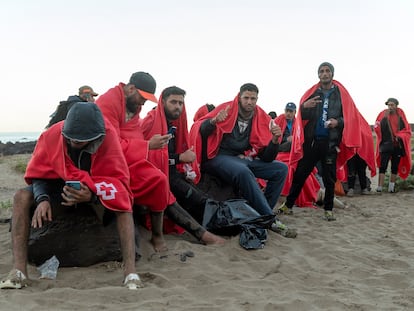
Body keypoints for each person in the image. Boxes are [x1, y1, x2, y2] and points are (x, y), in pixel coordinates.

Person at [0, 102, 141, 290]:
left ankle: (130, 273)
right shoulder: (52, 134)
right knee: (20, 196)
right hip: (60, 187)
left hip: (93, 188)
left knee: (124, 204)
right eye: (70, 138)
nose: (74, 142)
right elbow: (38, 173)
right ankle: (18, 271)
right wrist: (42, 199)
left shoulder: (108, 136)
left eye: (80, 140)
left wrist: (91, 195)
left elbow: (118, 181)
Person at [95, 72, 224, 247]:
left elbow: (133, 138)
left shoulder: (134, 107)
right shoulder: (109, 103)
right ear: (131, 88)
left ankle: (158, 236)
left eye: (180, 103)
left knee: (159, 180)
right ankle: (201, 234)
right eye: (143, 97)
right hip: (108, 162)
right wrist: (152, 148)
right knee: (173, 188)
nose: (143, 103)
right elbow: (111, 144)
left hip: (131, 160)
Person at [190, 83, 296, 238]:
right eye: (246, 97)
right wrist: (213, 122)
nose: (249, 101)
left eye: (253, 98)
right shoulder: (225, 109)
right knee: (243, 171)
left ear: (257, 99)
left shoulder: (262, 118)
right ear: (239, 97)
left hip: (242, 158)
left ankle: (259, 213)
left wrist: (274, 140)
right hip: (217, 157)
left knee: (280, 169)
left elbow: (267, 157)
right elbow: (199, 130)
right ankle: (269, 219)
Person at [278, 62, 364, 221]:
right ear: (318, 75)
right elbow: (302, 117)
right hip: (312, 142)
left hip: (330, 143)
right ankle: (288, 206)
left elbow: (350, 117)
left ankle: (328, 209)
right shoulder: (313, 92)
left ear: (332, 74)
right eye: (321, 71)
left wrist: (337, 122)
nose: (324, 74)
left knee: (329, 178)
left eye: (327, 71)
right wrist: (304, 106)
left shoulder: (341, 94)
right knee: (300, 174)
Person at [274, 102, 321, 208]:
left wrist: (295, 141)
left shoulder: (299, 123)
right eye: (287, 111)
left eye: (291, 111)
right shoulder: (278, 122)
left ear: (295, 112)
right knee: (290, 168)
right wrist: (288, 140)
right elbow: (273, 142)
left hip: (295, 153)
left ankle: (312, 194)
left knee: (306, 171)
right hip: (281, 153)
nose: (288, 113)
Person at [374, 98, 412, 193]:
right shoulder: (383, 114)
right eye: (389, 105)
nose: (390, 107)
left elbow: (407, 130)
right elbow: (377, 127)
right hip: (386, 144)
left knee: (395, 167)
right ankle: (379, 187)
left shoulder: (401, 115)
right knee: (383, 166)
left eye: (392, 105)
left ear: (396, 106)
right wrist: (383, 120)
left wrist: (399, 136)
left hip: (397, 145)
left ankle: (391, 188)